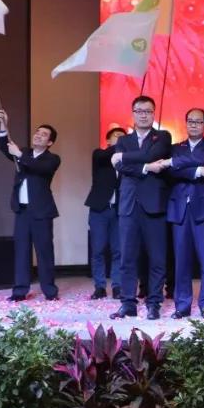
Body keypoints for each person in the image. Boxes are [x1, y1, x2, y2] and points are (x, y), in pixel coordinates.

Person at [150, 108, 204, 319]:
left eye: (198, 122)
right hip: (179, 208)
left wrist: (176, 163)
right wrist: (198, 170)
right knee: (181, 260)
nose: (194, 125)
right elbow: (173, 172)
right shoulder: (175, 148)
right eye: (190, 121)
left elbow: (202, 158)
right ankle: (182, 305)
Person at [110, 96, 172, 320]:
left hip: (154, 205)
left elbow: (151, 155)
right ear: (133, 113)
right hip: (128, 205)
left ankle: (154, 303)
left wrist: (124, 157)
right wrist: (146, 168)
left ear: (154, 114)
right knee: (127, 257)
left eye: (148, 111)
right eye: (139, 111)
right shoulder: (123, 140)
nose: (143, 115)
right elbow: (122, 168)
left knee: (157, 258)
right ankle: (128, 302)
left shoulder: (162, 137)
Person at [0, 110, 61, 302]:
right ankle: (19, 291)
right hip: (22, 211)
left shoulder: (52, 159)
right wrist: (3, 124)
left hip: (42, 212)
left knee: (44, 252)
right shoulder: (24, 153)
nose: (38, 135)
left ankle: (50, 291)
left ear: (49, 142)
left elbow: (38, 168)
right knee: (22, 252)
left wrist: (19, 155)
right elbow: (4, 147)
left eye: (44, 134)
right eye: (37, 132)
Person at [85, 127, 125, 300]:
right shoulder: (99, 154)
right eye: (117, 136)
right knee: (98, 249)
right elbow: (104, 155)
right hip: (99, 208)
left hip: (119, 210)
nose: (120, 138)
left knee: (118, 250)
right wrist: (120, 146)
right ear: (108, 140)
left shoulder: (127, 161)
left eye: (123, 137)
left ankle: (117, 286)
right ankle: (99, 287)